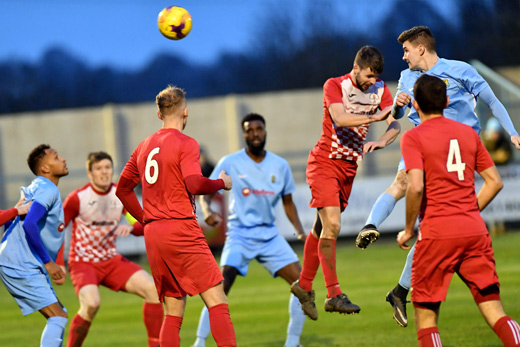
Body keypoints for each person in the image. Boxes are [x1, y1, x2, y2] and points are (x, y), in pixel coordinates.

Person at [354, 26, 520, 328]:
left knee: (436, 223)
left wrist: (512, 132)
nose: (402, 57)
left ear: (420, 48)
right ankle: (370, 225)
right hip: (425, 145)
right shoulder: (407, 78)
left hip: (460, 152)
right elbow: (398, 115)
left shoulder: (460, 70)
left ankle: (401, 291)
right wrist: (398, 106)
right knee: (404, 184)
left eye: (406, 50)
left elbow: (493, 101)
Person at [397, 74, 520, 347]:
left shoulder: (413, 137)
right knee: (493, 309)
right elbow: (494, 182)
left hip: (437, 233)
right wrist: (466, 211)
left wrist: (407, 229)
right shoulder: (468, 134)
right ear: (448, 101)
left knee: (426, 315)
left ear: (415, 105)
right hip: (474, 231)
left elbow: (415, 186)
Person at [115, 85, 236, 347]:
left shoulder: (143, 147)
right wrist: (220, 183)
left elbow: (122, 189)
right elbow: (194, 183)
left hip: (154, 235)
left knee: (173, 310)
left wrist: (145, 219)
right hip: (180, 229)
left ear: (158, 114)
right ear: (186, 112)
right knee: (217, 300)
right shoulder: (186, 143)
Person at [291, 46, 398, 319]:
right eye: (370, 75)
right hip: (324, 162)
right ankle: (333, 294)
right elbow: (339, 117)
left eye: (377, 77)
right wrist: (374, 116)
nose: (373, 81)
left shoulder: (381, 90)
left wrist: (381, 140)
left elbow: (395, 124)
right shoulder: (335, 85)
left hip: (349, 169)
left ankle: (303, 286)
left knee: (321, 228)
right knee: (334, 225)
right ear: (357, 68)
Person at [191, 113, 307, 347]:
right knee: (220, 286)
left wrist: (300, 231)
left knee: (303, 285)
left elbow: (288, 202)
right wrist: (206, 211)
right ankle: (200, 342)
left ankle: (293, 343)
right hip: (239, 233)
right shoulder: (229, 162)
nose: (254, 133)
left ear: (265, 132)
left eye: (258, 129)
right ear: (244, 134)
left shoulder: (280, 165)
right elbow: (206, 190)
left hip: (269, 235)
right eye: (249, 130)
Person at [62, 151, 163, 347]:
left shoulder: (121, 195)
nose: (104, 172)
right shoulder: (77, 198)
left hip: (111, 260)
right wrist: (57, 262)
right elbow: (57, 230)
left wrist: (131, 228)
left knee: (153, 290)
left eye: (107, 168)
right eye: (99, 169)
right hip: (83, 263)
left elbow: (144, 225)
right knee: (91, 304)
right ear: (90, 173)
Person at [0, 144, 69, 346]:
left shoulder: (36, 186)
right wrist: (49, 263)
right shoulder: (48, 190)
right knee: (58, 317)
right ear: (45, 169)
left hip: (17, 261)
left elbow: (16, 222)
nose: (63, 159)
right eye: (56, 157)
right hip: (20, 263)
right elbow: (30, 223)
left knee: (59, 313)